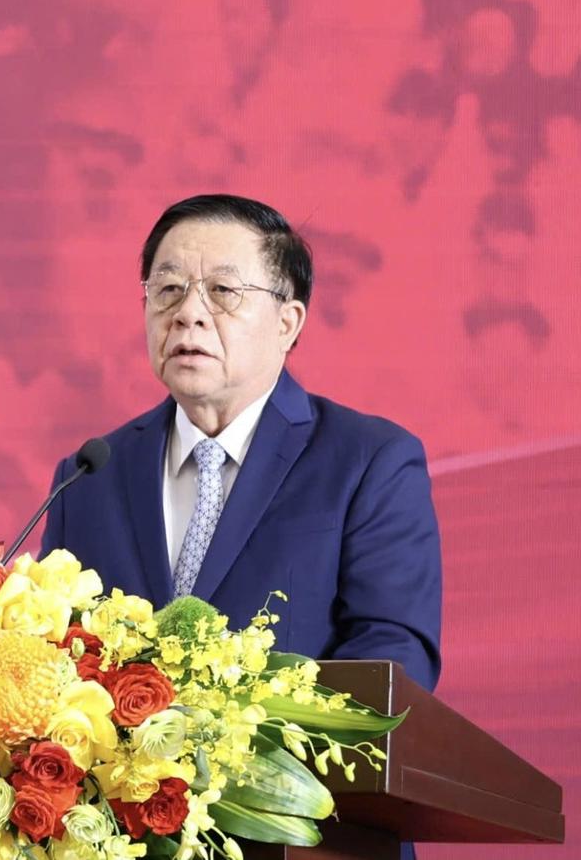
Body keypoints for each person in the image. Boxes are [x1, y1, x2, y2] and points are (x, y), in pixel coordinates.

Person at [40, 194, 441, 692]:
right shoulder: (88, 478)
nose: (188, 313)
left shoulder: (369, 464)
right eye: (168, 289)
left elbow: (393, 662)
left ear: (286, 323)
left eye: (223, 291)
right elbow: (52, 660)